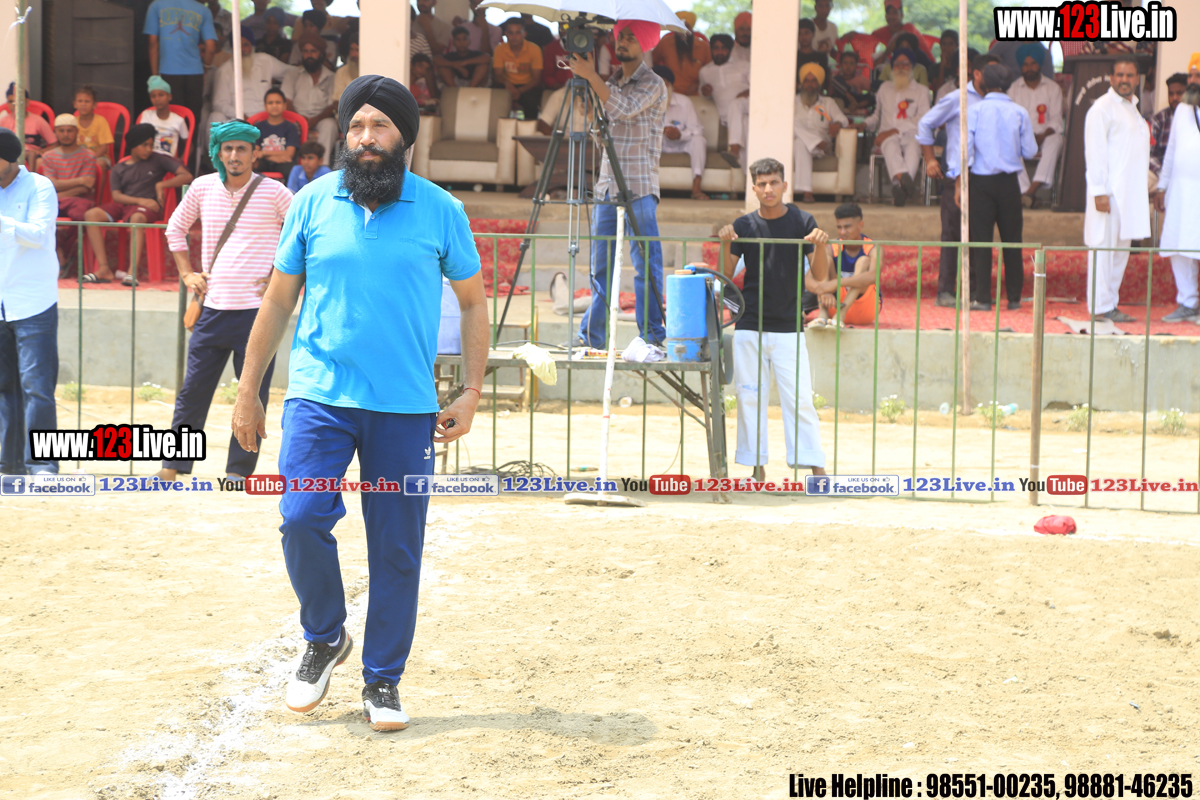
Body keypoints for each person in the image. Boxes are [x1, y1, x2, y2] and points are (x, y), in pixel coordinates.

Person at [230, 74, 487, 731]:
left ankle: (383, 681)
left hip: (404, 407)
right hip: (320, 397)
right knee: (301, 517)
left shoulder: (441, 210)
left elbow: (472, 302)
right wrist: (249, 390)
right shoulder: (311, 201)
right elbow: (278, 300)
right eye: (356, 126)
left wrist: (470, 391)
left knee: (397, 546)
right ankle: (324, 637)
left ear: (405, 137)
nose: (366, 137)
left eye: (380, 126)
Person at [154, 121, 292, 484]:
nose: (234, 155)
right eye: (227, 148)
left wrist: (279, 275)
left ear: (255, 153)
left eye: (241, 148)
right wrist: (186, 273)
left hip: (258, 314)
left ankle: (238, 471)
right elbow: (175, 228)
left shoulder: (275, 191)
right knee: (192, 393)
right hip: (212, 309)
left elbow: (302, 233)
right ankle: (173, 466)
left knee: (253, 394)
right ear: (218, 152)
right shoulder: (202, 187)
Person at [717, 157, 829, 481]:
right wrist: (726, 243)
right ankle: (757, 469)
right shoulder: (744, 225)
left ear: (784, 185)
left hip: (789, 325)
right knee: (749, 397)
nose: (768, 189)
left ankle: (816, 467)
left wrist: (821, 246)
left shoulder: (802, 221)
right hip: (749, 324)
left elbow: (820, 276)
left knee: (801, 398)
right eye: (762, 184)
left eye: (774, 182)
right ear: (753, 188)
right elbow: (726, 275)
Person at [566, 20, 668, 349]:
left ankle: (651, 336)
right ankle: (592, 337)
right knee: (602, 268)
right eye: (620, 36)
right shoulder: (611, 82)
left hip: (639, 186)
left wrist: (591, 76)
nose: (621, 41)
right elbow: (604, 136)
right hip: (607, 186)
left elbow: (624, 109)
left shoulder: (653, 83)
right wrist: (590, 107)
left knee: (645, 265)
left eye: (630, 37)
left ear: (645, 44)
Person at [0, 127, 60, 476]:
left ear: (8, 158)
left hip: (33, 302)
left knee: (37, 388)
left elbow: (37, 235)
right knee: (3, 387)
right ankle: (8, 464)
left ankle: (43, 466)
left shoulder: (39, 186)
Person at [918, 53, 998, 308]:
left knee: (980, 235)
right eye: (992, 72)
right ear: (977, 74)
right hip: (957, 177)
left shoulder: (999, 100)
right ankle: (945, 291)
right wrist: (930, 159)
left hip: (987, 178)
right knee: (952, 234)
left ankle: (976, 292)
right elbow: (925, 124)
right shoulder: (957, 98)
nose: (997, 77)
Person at [963, 63, 1036, 311]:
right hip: (1009, 183)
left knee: (981, 241)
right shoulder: (1019, 112)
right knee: (1012, 240)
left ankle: (982, 298)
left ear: (984, 82)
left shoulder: (975, 111)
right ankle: (1014, 297)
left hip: (981, 182)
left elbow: (966, 151)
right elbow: (1031, 151)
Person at [82, 123, 193, 284]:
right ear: (133, 146)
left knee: (136, 218)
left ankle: (131, 272)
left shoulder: (158, 159)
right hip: (127, 204)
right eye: (144, 145)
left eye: (151, 145)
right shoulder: (119, 168)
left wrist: (161, 185)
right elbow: (116, 196)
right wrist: (139, 200)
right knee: (91, 215)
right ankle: (104, 268)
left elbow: (187, 176)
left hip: (147, 209)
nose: (149, 149)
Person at [1084, 55, 1150, 323]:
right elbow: (1095, 152)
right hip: (1108, 195)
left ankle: (1110, 304)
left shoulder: (1132, 108)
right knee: (1103, 250)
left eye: (1129, 75)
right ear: (1111, 78)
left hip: (1128, 196)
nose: (1124, 80)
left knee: (1119, 253)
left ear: (1137, 79)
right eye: (1120, 75)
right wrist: (1099, 191)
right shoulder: (1102, 108)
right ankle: (1099, 307)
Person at [1153, 78, 1200, 322]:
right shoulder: (1182, 109)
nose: (1192, 81)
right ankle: (1188, 302)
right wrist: (1162, 186)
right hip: (1181, 191)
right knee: (1180, 246)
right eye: (1191, 76)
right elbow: (1171, 150)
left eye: (1197, 76)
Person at [865, 47, 930, 206]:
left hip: (911, 133)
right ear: (892, 67)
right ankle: (905, 184)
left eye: (905, 64)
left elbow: (923, 118)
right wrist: (864, 124)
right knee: (891, 146)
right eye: (897, 64)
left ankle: (899, 187)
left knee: (913, 148)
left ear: (912, 67)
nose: (901, 67)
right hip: (887, 136)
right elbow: (877, 115)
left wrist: (896, 129)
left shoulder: (922, 91)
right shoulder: (884, 88)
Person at [1006, 42, 1063, 207]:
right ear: (1020, 66)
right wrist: (1026, 136)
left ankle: (1031, 191)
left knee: (1057, 140)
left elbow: (1056, 119)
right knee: (1009, 143)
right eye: (1025, 64)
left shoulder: (1053, 88)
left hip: (1045, 135)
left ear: (1040, 64)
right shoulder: (1013, 89)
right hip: (1022, 137)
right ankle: (1026, 191)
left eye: (1033, 63)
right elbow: (1010, 120)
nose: (1029, 68)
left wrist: (1042, 136)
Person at [144, 0, 216, 125]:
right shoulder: (203, 10)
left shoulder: (156, 6)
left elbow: (153, 43)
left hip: (168, 71)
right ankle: (192, 138)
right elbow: (211, 47)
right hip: (195, 73)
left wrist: (155, 76)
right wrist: (206, 67)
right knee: (192, 119)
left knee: (172, 119)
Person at [807, 202, 879, 327]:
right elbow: (808, 279)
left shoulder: (873, 248)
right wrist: (824, 290)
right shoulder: (831, 247)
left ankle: (841, 315)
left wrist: (836, 283)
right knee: (825, 261)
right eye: (839, 227)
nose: (842, 232)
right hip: (834, 307)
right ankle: (822, 315)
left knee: (863, 261)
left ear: (860, 225)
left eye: (847, 227)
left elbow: (873, 276)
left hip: (865, 310)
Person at [40, 115, 97, 270]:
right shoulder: (49, 156)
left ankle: (64, 250)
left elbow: (87, 187)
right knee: (41, 214)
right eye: (61, 131)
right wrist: (80, 180)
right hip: (56, 199)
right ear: (55, 132)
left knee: (81, 215)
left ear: (77, 132)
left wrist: (59, 190)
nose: (66, 134)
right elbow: (52, 184)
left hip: (80, 200)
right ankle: (59, 251)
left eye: (69, 131)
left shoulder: (88, 155)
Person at [793, 63, 848, 204]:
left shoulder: (828, 102)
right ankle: (807, 192)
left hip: (821, 147)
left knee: (800, 141)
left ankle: (807, 192)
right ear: (801, 83)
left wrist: (837, 123)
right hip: (804, 146)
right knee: (792, 127)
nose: (809, 85)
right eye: (806, 81)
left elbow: (843, 119)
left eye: (813, 81)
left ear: (819, 84)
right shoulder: (791, 102)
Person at [211, 27, 292, 123]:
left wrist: (287, 95)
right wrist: (240, 115)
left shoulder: (265, 60)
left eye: (246, 45)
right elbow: (219, 104)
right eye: (238, 45)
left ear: (252, 46)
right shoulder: (224, 71)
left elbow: (291, 73)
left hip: (268, 119)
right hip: (239, 121)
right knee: (215, 116)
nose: (242, 49)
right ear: (233, 48)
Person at [652, 66, 708, 201]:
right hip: (657, 145)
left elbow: (697, 129)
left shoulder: (684, 102)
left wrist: (680, 135)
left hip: (682, 144)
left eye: (663, 82)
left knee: (699, 140)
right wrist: (660, 131)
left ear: (669, 85)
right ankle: (644, 190)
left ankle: (696, 187)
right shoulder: (644, 103)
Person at [282, 39, 338, 166]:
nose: (309, 55)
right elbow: (287, 101)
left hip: (321, 118)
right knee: (287, 125)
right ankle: (294, 167)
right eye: (305, 51)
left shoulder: (331, 77)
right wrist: (300, 119)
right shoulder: (293, 73)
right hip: (296, 117)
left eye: (313, 51)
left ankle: (322, 166)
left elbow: (332, 106)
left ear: (322, 54)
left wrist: (315, 120)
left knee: (330, 125)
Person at [698, 34, 750, 165]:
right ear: (711, 50)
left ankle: (734, 148)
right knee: (744, 128)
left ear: (730, 50)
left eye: (724, 48)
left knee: (736, 104)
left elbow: (759, 86)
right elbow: (703, 92)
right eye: (716, 48)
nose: (719, 52)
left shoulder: (744, 65)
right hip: (729, 118)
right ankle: (746, 175)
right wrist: (705, 92)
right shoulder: (705, 71)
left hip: (749, 106)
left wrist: (748, 91)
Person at [493, 18, 543, 122]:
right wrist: (508, 85)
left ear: (524, 34)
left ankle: (529, 129)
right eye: (511, 33)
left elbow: (536, 79)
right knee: (497, 99)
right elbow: (498, 75)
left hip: (528, 86)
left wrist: (519, 91)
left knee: (532, 102)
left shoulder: (534, 49)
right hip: (506, 84)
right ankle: (497, 127)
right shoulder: (499, 49)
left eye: (518, 33)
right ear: (506, 34)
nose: (514, 37)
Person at [651, 13, 711, 96]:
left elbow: (711, 72)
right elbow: (651, 65)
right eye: (680, 28)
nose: (683, 32)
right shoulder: (664, 43)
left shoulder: (704, 47)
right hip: (669, 94)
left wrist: (698, 84)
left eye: (687, 27)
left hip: (695, 96)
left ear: (691, 29)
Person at [0, 85, 56, 165]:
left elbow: (54, 144)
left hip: (32, 156)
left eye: (18, 101)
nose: (14, 104)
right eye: (11, 101)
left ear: (27, 102)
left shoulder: (38, 121)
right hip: (9, 156)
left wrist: (41, 151)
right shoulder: (3, 121)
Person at [138, 76, 191, 159]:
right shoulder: (146, 115)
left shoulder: (179, 121)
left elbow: (189, 146)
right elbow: (140, 141)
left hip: (168, 160)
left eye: (161, 95)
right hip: (149, 159)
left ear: (169, 97)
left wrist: (180, 161)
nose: (157, 99)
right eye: (153, 96)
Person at [1150, 72, 1188, 178]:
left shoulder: (1196, 118)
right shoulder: (1159, 119)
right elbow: (1150, 155)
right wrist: (1164, 177)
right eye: (1171, 94)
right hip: (1162, 175)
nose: (1174, 98)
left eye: (1179, 93)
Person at [871, 0, 930, 65]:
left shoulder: (909, 27)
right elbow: (870, 38)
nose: (891, 16)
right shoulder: (884, 31)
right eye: (888, 13)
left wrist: (883, 57)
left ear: (901, 15)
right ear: (885, 16)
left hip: (927, 67)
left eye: (895, 12)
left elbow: (900, 37)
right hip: (907, 67)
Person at [255, 88, 300, 172]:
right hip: (264, 162)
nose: (274, 105)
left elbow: (290, 153)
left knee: (293, 169)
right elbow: (256, 153)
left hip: (284, 162)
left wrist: (264, 153)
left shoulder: (291, 127)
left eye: (278, 102)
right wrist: (272, 158)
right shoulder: (258, 127)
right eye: (270, 103)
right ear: (265, 106)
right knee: (252, 165)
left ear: (284, 105)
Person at [72, 86, 114, 168]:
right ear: (75, 104)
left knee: (100, 164)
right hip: (77, 158)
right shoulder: (73, 122)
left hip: (99, 156)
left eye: (87, 101)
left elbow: (104, 147)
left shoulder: (101, 121)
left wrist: (90, 159)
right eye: (80, 101)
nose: (83, 104)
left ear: (94, 105)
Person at [829, 50, 873, 116]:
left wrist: (857, 104)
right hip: (842, 99)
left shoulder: (860, 78)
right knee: (835, 80)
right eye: (845, 63)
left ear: (856, 66)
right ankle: (851, 99)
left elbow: (871, 90)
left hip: (856, 99)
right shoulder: (836, 78)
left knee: (873, 95)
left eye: (851, 63)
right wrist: (850, 98)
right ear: (840, 65)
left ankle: (855, 105)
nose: (848, 66)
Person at [795, 19, 830, 92]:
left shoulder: (821, 57)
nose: (803, 37)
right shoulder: (793, 57)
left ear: (813, 34)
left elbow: (825, 83)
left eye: (806, 33)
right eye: (800, 33)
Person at [333, 32, 360, 102]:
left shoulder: (373, 71)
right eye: (351, 49)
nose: (353, 54)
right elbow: (337, 101)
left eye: (357, 50)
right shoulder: (342, 72)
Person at [929, 29, 958, 94]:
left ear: (957, 46)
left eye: (950, 44)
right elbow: (938, 89)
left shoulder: (960, 68)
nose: (946, 47)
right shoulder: (934, 68)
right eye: (944, 44)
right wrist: (942, 66)